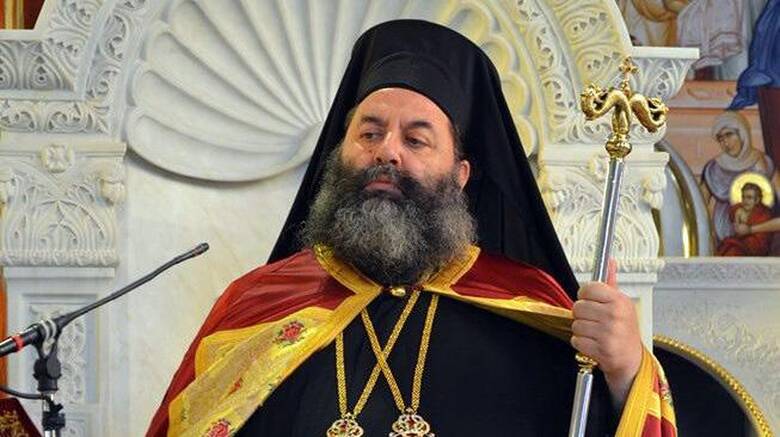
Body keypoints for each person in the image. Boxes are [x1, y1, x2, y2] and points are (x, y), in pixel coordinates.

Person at [147, 20, 675, 436]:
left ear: (461, 175)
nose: (388, 152)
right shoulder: (257, 305)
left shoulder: (529, 310)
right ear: (338, 155)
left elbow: (595, 421)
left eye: (416, 139)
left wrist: (624, 370)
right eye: (369, 133)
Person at [701, 111, 776, 245]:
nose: (725, 142)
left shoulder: (763, 162)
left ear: (742, 133)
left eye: (729, 135)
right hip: (722, 240)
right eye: (720, 139)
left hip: (759, 239)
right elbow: (699, 205)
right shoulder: (713, 168)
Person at [716, 182, 773, 255]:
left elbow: (762, 239)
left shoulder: (763, 213)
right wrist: (737, 214)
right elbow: (737, 229)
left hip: (755, 247)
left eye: (749, 198)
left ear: (757, 200)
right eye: (743, 197)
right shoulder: (739, 210)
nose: (745, 201)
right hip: (740, 244)